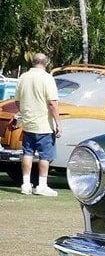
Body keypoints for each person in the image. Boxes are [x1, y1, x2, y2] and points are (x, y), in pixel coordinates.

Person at [13, 52, 61, 196]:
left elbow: (17, 100)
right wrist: (58, 123)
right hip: (44, 125)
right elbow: (52, 103)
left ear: (33, 62)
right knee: (45, 156)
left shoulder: (23, 77)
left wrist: (25, 112)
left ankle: (26, 184)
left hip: (28, 123)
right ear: (46, 63)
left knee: (27, 153)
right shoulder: (47, 78)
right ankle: (42, 185)